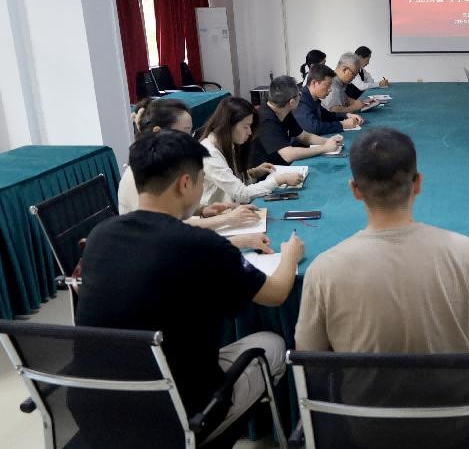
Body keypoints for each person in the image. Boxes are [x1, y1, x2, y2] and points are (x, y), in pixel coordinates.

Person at [75, 131, 304, 443]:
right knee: (272, 345)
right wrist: (290, 256)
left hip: (96, 405)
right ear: (185, 184)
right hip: (179, 415)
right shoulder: (202, 245)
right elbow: (276, 294)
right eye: (200, 180)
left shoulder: (100, 235)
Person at [295, 127, 469, 354]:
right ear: (417, 183)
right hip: (449, 379)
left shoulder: (323, 270)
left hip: (362, 380)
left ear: (355, 190)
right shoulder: (466, 253)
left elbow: (309, 353)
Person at [120, 98, 271, 251]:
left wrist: (203, 209)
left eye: (190, 132)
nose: (191, 139)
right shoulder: (139, 174)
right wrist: (228, 220)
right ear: (158, 132)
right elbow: (171, 226)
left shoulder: (167, 165)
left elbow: (171, 212)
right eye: (185, 131)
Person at [199, 97, 304, 206]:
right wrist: (279, 180)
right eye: (246, 127)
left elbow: (231, 180)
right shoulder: (210, 154)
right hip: (218, 212)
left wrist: (253, 173)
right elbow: (241, 194)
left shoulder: (225, 144)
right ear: (229, 125)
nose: (249, 132)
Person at [249, 75, 343, 166]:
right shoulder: (266, 120)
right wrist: (324, 148)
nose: (300, 96)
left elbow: (303, 136)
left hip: (279, 164)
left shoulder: (283, 109)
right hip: (267, 170)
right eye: (299, 94)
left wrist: (328, 141)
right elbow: (288, 155)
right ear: (292, 102)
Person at [294, 64, 363, 134]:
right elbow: (314, 128)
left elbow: (327, 115)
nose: (330, 90)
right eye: (327, 85)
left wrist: (347, 115)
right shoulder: (299, 101)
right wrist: (342, 125)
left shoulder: (312, 98)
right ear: (314, 83)